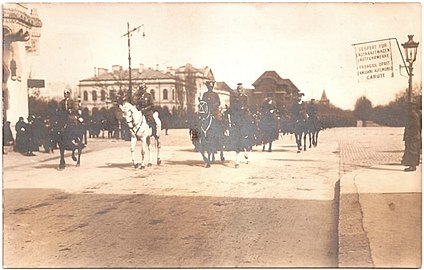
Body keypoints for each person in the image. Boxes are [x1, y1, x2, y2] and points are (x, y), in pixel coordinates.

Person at [401, 103, 421, 172]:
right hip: (413, 136)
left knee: (412, 150)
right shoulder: (413, 114)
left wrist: (410, 135)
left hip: (413, 136)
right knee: (410, 150)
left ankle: (412, 166)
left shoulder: (413, 115)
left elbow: (416, 126)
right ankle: (411, 165)